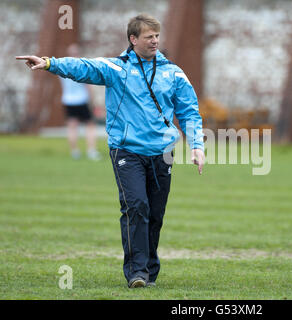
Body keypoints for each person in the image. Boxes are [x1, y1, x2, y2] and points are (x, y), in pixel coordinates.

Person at [17, 13, 205, 288]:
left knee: (155, 214)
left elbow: (189, 111)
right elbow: (82, 67)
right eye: (148, 37)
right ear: (133, 39)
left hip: (162, 152)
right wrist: (48, 63)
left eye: (156, 36)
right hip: (126, 151)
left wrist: (197, 145)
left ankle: (149, 270)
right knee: (136, 206)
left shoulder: (173, 73)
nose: (155, 41)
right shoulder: (116, 69)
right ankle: (137, 273)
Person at [60, 43, 101, 161]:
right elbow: (88, 85)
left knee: (72, 126)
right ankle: (91, 150)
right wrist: (92, 101)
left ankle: (75, 151)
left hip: (68, 100)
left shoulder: (62, 66)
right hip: (82, 100)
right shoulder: (82, 66)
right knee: (90, 125)